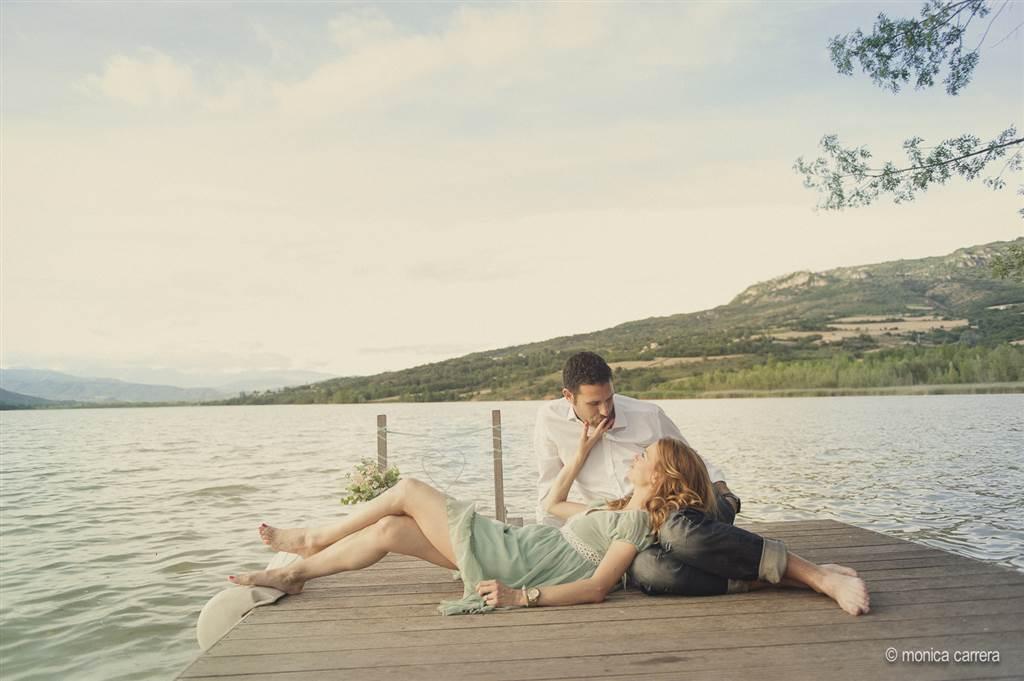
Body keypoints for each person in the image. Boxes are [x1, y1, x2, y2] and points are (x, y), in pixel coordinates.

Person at [228, 431, 870, 617]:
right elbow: (556, 507)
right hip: (523, 543)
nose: (637, 456)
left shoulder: (639, 528)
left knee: (408, 491)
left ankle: (309, 539)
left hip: (522, 564)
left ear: (662, 476)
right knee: (392, 532)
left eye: (644, 456)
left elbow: (596, 588)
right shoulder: (621, 512)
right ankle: (301, 574)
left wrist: (522, 598)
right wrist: (581, 454)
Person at [535, 351, 742, 595]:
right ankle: (743, 580)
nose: (605, 410)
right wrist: (548, 552)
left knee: (680, 530)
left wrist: (724, 491)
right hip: (619, 527)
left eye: (609, 399)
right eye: (594, 403)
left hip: (666, 511)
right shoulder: (550, 420)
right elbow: (549, 490)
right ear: (568, 396)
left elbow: (692, 460)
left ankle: (746, 535)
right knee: (650, 570)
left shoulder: (647, 414)